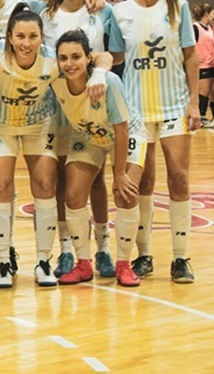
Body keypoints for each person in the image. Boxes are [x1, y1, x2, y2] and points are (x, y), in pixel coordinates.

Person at [0, 4, 111, 288]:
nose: (26, 43)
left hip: (39, 125)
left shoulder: (52, 59)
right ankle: (2, 262)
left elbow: (103, 56)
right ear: (9, 37)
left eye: (33, 37)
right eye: (20, 37)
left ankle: (42, 261)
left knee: (46, 185)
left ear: (41, 38)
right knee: (0, 187)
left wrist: (98, 74)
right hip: (0, 125)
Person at [108, 0, 200, 283]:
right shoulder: (120, 12)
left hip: (174, 106)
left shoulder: (179, 7)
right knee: (140, 182)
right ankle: (143, 255)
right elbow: (115, 56)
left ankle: (180, 257)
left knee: (179, 178)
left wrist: (193, 103)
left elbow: (191, 57)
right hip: (135, 112)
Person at [42, 0, 121, 279]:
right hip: (56, 105)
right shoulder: (44, 13)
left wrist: (99, 73)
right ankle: (65, 249)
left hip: (92, 103)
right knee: (61, 179)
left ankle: (102, 249)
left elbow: (114, 54)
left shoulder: (102, 12)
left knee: (96, 180)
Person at [51, 29, 146, 287]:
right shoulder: (55, 77)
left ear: (88, 58)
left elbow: (121, 129)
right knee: (73, 195)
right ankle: (83, 264)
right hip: (89, 135)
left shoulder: (107, 82)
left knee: (125, 193)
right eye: (63, 58)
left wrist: (119, 173)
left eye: (75, 57)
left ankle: (124, 264)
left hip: (125, 133)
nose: (69, 64)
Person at [192, 3, 214, 124]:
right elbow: (190, 45)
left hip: (211, 63)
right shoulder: (195, 27)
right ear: (206, 14)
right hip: (202, 65)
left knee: (212, 91)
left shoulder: (210, 27)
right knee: (203, 91)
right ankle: (201, 116)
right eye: (212, 13)